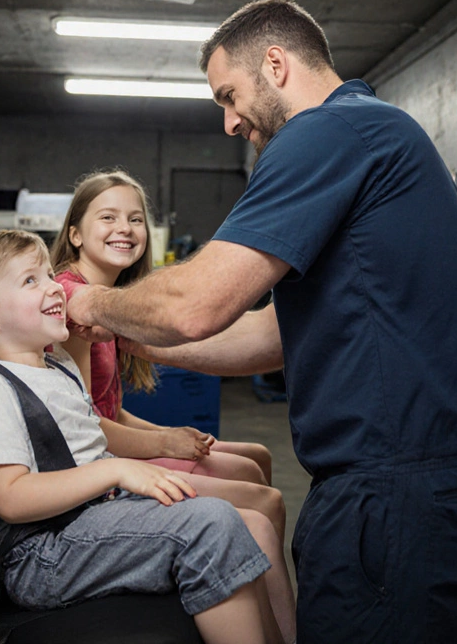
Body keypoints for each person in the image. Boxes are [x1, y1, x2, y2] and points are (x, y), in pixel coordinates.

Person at [65, 0, 457, 644]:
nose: (231, 122)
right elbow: (269, 337)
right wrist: (130, 336)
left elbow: (197, 303)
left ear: (276, 62)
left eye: (230, 96)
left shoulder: (326, 133)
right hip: (419, 483)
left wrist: (90, 304)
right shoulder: (372, 133)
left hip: (393, 491)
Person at [0, 228, 291, 644]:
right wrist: (116, 472)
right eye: (31, 281)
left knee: (245, 520)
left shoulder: (57, 363)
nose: (55, 288)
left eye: (50, 275)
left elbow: (93, 432)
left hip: (91, 518)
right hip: (43, 553)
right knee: (213, 523)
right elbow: (11, 498)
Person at [49, 170, 288, 543]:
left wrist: (172, 434)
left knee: (258, 457)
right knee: (264, 499)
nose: (124, 228)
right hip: (95, 463)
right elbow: (87, 425)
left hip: (109, 444)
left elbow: (111, 409)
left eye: (135, 219)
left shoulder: (110, 302)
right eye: (108, 217)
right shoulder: (75, 303)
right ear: (75, 234)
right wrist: (165, 443)